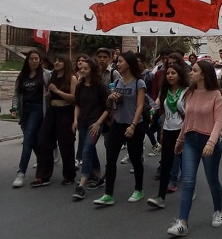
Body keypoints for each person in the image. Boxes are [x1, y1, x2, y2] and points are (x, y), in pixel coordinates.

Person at [167, 60, 222, 237]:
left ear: (204, 74)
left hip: (209, 141)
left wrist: (211, 143)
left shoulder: (216, 94)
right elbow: (188, 120)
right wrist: (180, 140)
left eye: (195, 70)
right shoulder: (189, 93)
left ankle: (218, 211)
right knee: (188, 181)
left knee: (212, 179)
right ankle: (182, 222)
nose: (191, 73)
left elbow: (219, 122)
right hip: (191, 140)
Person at [94, 51, 147, 206]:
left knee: (135, 158)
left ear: (129, 64)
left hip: (134, 125)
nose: (118, 64)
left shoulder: (139, 83)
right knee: (110, 159)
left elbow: (140, 106)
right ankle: (108, 194)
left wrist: (133, 125)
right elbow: (112, 106)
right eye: (117, 61)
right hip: (118, 123)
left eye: (121, 61)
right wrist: (111, 99)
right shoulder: (117, 83)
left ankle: (139, 189)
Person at [147, 62, 190, 209]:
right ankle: (160, 197)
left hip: (183, 131)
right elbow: (163, 112)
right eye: (168, 74)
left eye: (173, 73)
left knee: (186, 164)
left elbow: (189, 114)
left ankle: (190, 190)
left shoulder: (186, 92)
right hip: (168, 130)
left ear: (180, 76)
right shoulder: (164, 91)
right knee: (165, 164)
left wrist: (185, 133)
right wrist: (162, 130)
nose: (170, 76)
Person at [31, 54, 77, 187]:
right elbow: (52, 94)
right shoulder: (53, 76)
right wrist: (49, 95)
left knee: (66, 144)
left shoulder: (72, 78)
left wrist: (57, 91)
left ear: (65, 63)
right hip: (52, 112)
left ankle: (69, 175)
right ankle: (43, 175)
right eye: (55, 60)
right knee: (44, 142)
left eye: (59, 61)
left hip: (66, 112)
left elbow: (74, 98)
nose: (56, 63)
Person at [11, 50, 51, 188]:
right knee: (35, 142)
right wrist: (14, 108)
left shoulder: (46, 74)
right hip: (25, 110)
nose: (34, 61)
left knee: (27, 139)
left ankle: (21, 172)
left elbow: (53, 88)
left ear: (40, 61)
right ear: (27, 61)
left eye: (36, 59)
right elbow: (16, 94)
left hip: (39, 109)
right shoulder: (22, 76)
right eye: (31, 59)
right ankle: (44, 168)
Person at [72, 58, 110, 200]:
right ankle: (98, 175)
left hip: (95, 123)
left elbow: (107, 107)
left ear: (92, 70)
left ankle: (81, 185)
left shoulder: (100, 86)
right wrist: (75, 120)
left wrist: (98, 123)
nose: (82, 70)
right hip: (82, 122)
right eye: (81, 68)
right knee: (90, 148)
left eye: (85, 68)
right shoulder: (80, 86)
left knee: (86, 149)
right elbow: (77, 104)